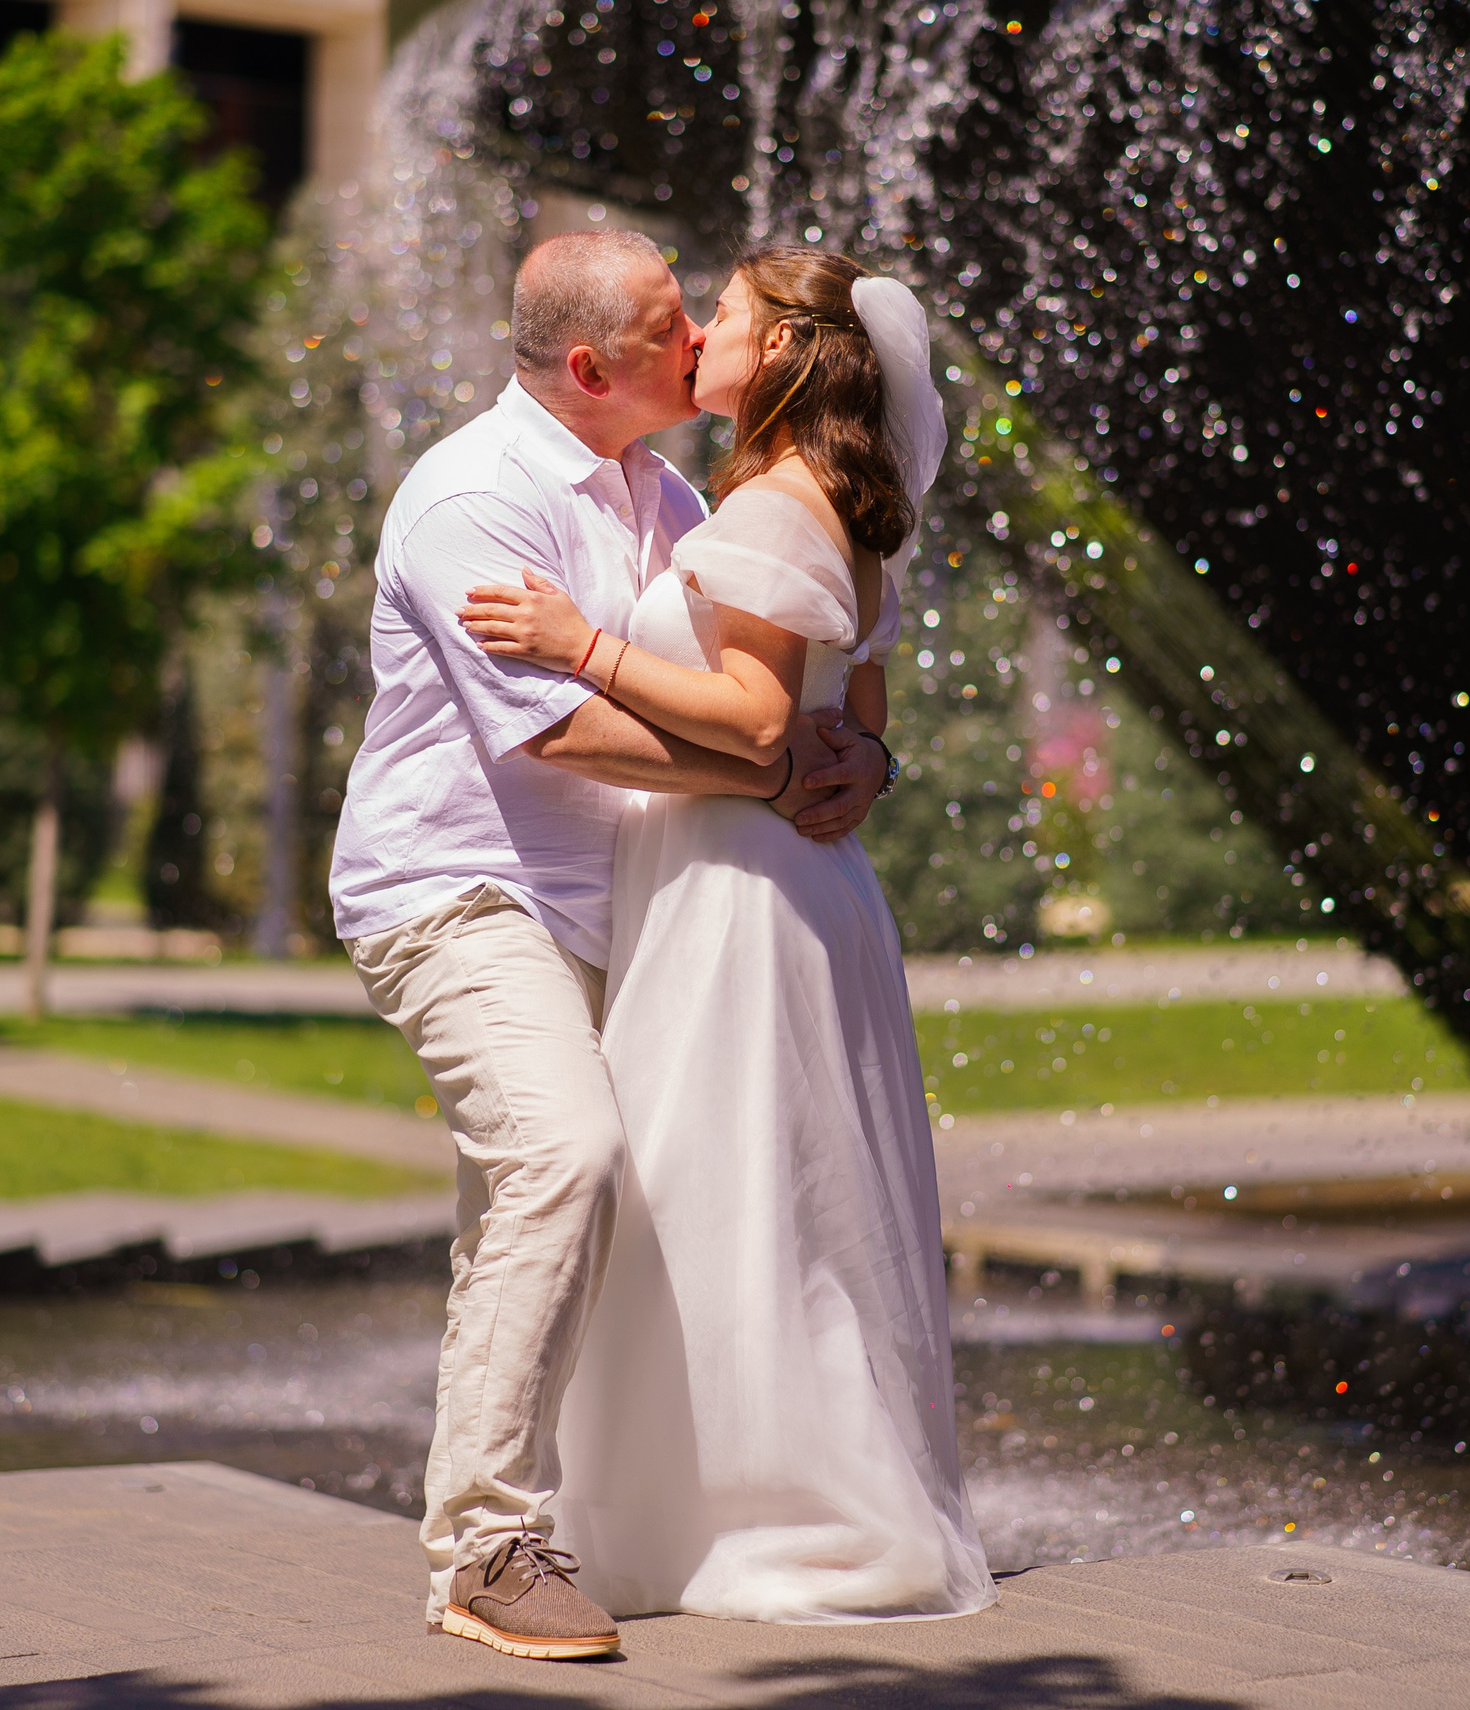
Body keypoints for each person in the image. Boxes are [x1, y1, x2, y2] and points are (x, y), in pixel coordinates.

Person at [329, 228, 887, 1662]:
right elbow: (565, 727)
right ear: (590, 367)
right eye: (666, 326)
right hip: (462, 890)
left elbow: (778, 662)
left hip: (625, 897)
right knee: (564, 1155)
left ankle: (562, 1510)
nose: (699, 341)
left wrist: (864, 756)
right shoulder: (468, 500)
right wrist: (772, 768)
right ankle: (486, 1549)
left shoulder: (674, 488)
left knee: (532, 1206)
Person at [458, 247, 995, 1624]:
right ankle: (750, 1503)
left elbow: (759, 726)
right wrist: (869, 766)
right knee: (781, 1200)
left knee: (725, 1195)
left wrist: (580, 643)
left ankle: (753, 1523)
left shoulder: (767, 511)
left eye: (733, 317)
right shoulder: (849, 509)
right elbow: (849, 717)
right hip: (803, 888)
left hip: (739, 892)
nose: (703, 331)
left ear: (790, 356)